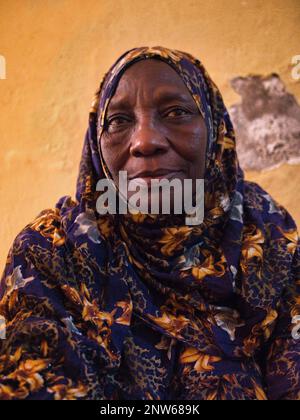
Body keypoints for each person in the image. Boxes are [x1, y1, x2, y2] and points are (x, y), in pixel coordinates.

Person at [0, 46, 299, 400]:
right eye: (119, 121)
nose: (145, 142)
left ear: (215, 129)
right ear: (97, 141)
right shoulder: (52, 252)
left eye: (176, 112)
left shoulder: (267, 235)